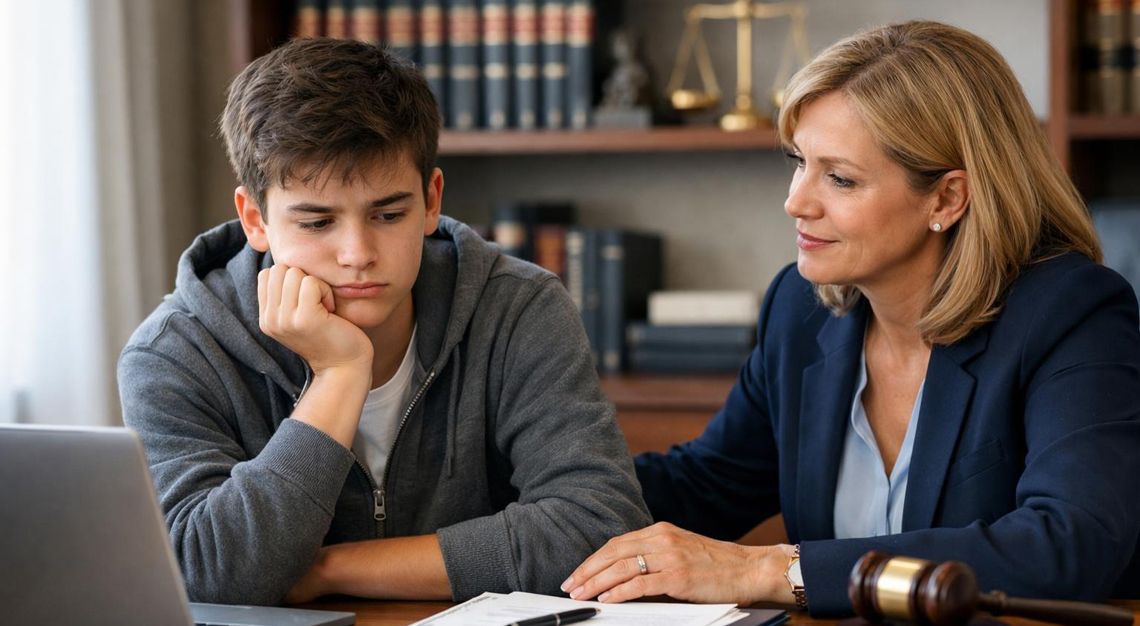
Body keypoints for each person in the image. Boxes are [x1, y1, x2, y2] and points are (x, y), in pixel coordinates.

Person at [562, 20, 1140, 615]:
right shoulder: (800, 309)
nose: (796, 202)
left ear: (946, 198)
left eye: (839, 178)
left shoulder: (1071, 313)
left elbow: (1070, 544)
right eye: (799, 162)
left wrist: (773, 567)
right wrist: (530, 487)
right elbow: (709, 482)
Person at [117, 38, 650, 606]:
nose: (357, 253)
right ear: (256, 220)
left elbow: (601, 524)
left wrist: (329, 569)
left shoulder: (519, 308)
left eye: (389, 214)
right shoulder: (174, 352)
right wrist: (338, 376)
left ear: (431, 201)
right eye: (318, 223)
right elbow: (206, 574)